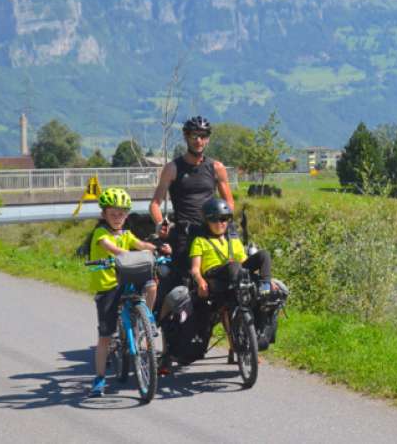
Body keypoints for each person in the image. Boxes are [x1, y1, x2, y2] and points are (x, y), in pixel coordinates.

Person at [88, 187, 171, 398]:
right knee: (105, 336)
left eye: (122, 213)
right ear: (104, 214)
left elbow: (140, 243)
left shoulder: (125, 233)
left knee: (151, 285)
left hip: (127, 279)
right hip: (108, 285)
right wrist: (136, 254)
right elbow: (114, 250)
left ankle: (147, 319)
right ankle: (99, 378)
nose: (118, 218)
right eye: (113, 213)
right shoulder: (101, 233)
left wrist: (157, 248)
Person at [150, 116, 236, 297]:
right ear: (186, 137)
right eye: (194, 136)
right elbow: (155, 204)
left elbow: (229, 203)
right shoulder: (172, 168)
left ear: (208, 138)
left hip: (210, 233)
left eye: (203, 136)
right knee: (181, 285)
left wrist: (224, 224)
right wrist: (160, 224)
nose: (199, 141)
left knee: (228, 281)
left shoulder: (216, 167)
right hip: (184, 234)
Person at [189, 199, 273, 360]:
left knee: (263, 255)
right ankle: (242, 295)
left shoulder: (233, 240)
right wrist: (200, 281)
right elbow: (194, 268)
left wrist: (265, 278)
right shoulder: (199, 241)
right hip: (215, 277)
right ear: (207, 221)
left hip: (236, 274)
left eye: (224, 219)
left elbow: (243, 263)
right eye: (214, 219)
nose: (220, 223)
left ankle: (265, 287)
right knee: (233, 266)